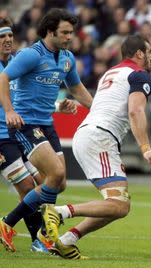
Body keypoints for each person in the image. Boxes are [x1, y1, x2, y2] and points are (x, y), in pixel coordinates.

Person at [41, 34, 151, 260]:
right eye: (150, 52)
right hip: (100, 138)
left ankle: (68, 240)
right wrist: (145, 147)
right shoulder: (140, 75)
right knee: (119, 205)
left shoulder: (111, 72)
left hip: (89, 134)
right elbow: (135, 111)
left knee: (117, 204)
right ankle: (58, 213)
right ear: (139, 54)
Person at [0, 8, 92, 246]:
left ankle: (9, 223)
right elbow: (3, 79)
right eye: (65, 32)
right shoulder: (31, 55)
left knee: (58, 183)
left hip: (46, 125)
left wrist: (98, 109)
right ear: (50, 31)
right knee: (52, 175)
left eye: (71, 32)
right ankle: (40, 235)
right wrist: (10, 111)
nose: (70, 37)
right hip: (25, 125)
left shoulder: (67, 58)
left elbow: (77, 88)